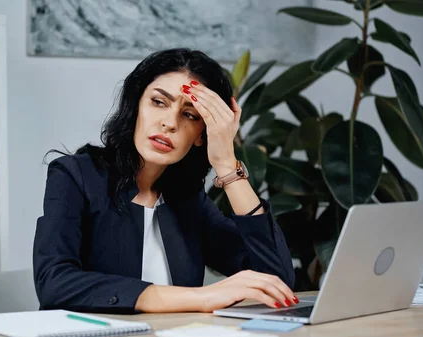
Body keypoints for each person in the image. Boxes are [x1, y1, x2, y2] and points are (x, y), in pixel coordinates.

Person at [33, 48, 297, 315]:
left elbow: (275, 282)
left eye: (190, 115)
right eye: (159, 102)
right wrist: (201, 298)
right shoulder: (75, 176)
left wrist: (227, 165)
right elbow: (54, 283)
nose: (169, 123)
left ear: (201, 135)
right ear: (136, 105)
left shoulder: (188, 199)